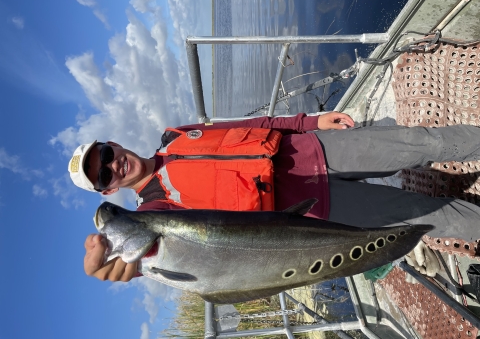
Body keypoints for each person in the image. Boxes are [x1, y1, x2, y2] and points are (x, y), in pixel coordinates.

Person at [69, 112, 480, 282]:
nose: (112, 165)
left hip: (317, 149)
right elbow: (172, 250)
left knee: (420, 142)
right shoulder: (154, 211)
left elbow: (256, 123)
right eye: (103, 175)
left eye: (105, 155)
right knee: (428, 213)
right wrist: (130, 266)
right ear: (109, 189)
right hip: (319, 215)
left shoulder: (177, 135)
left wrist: (311, 120)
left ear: (113, 144)